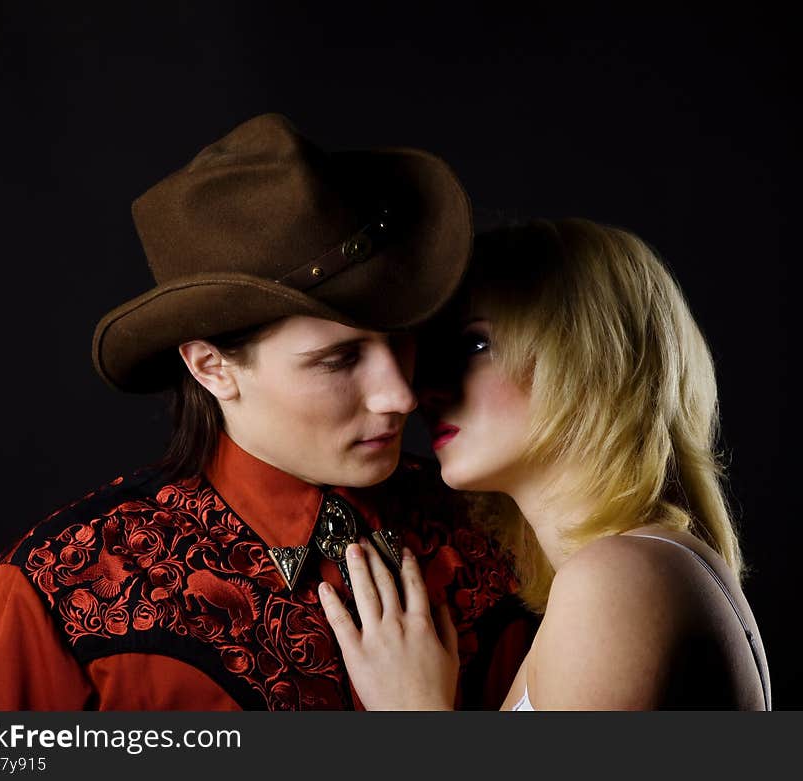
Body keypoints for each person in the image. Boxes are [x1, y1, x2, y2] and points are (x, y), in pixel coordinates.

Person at [0, 114, 531, 711]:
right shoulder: (54, 596)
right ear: (212, 367)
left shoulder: (487, 535)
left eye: (400, 338)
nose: (400, 394)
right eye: (339, 360)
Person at [319, 218, 772, 710]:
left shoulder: (617, 578)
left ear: (591, 352)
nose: (423, 391)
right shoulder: (637, 570)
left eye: (475, 345)